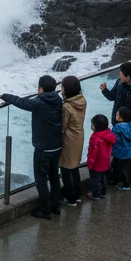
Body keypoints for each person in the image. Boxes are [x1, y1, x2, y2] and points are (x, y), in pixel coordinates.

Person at [0, 75, 64, 220]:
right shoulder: (59, 100)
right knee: (54, 176)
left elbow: (21, 102)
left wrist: (4, 96)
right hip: (57, 146)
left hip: (43, 149)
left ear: (41, 89)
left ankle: (46, 210)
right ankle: (56, 206)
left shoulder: (38, 102)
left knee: (41, 179)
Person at [99, 61, 131, 188]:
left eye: (122, 74)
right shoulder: (119, 83)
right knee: (116, 150)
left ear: (129, 77)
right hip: (117, 123)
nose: (119, 76)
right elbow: (112, 97)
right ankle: (115, 177)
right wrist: (105, 91)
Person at [59, 75, 87, 206]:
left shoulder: (66, 107)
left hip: (69, 139)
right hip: (79, 136)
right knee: (74, 167)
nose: (61, 90)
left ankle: (70, 199)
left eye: (62, 87)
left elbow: (63, 127)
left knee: (65, 168)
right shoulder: (82, 100)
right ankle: (77, 195)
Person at [86, 114, 116, 201]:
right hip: (106, 162)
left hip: (97, 164)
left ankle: (96, 195)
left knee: (95, 180)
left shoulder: (95, 137)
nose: (91, 126)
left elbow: (93, 153)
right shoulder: (109, 134)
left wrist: (90, 164)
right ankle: (103, 193)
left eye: (92, 125)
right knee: (103, 178)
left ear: (96, 127)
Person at [111, 108, 131, 191]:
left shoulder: (117, 127)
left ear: (121, 118)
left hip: (119, 153)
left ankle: (125, 185)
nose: (116, 115)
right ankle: (123, 182)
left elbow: (113, 139)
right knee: (126, 169)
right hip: (129, 152)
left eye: (117, 114)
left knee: (120, 169)